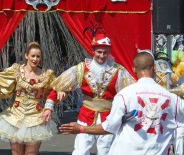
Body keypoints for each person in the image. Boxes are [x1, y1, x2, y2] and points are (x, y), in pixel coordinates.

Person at [59, 51, 184, 155]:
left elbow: (109, 127)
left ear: (134, 69)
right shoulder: (172, 99)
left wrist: (82, 129)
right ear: (154, 68)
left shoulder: (124, 95)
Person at [51, 27, 135, 155]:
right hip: (86, 116)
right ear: (93, 51)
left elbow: (132, 92)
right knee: (80, 151)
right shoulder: (81, 69)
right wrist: (57, 96)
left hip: (109, 117)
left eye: (105, 52)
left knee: (106, 151)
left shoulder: (119, 71)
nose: (102, 56)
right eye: (99, 52)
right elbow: (58, 85)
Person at [0, 41, 59, 155]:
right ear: (26, 56)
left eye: (38, 56)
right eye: (32, 56)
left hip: (36, 118)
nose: (35, 59)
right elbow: (2, 90)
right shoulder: (16, 71)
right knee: (16, 152)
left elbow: (56, 89)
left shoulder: (46, 75)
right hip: (15, 117)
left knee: (32, 153)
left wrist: (58, 95)